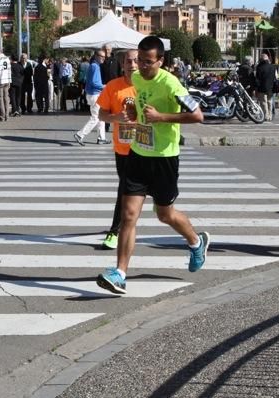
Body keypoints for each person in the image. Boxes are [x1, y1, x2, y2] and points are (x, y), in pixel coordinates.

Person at [96, 35, 207, 294]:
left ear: (161, 61)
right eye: (139, 62)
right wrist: (133, 114)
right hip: (138, 154)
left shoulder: (172, 84)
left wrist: (161, 117)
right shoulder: (135, 79)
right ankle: (120, 273)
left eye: (148, 63)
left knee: (164, 214)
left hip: (164, 158)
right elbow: (141, 106)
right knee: (128, 215)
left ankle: (195, 241)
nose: (141, 68)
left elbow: (197, 115)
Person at [96, 49, 138, 250]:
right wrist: (116, 118)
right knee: (125, 190)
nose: (133, 65)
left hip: (149, 147)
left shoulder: (150, 87)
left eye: (137, 61)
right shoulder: (113, 87)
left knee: (159, 195)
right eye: (129, 61)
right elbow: (102, 115)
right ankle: (114, 231)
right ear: (123, 64)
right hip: (124, 149)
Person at [74, 50, 107, 145]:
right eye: (102, 56)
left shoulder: (93, 66)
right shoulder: (95, 66)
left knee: (101, 117)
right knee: (96, 118)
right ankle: (80, 134)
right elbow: (95, 83)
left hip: (93, 94)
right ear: (96, 56)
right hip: (95, 94)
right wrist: (104, 86)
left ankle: (101, 138)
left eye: (104, 56)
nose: (103, 58)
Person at [101, 44, 120, 132]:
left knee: (115, 106)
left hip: (115, 86)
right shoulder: (101, 60)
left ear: (111, 50)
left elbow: (119, 73)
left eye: (108, 49)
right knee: (105, 107)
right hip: (104, 86)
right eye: (105, 49)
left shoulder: (115, 60)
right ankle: (106, 125)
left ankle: (117, 123)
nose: (106, 51)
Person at [255, 53, 275, 121]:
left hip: (262, 87)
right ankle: (270, 116)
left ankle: (265, 116)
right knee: (269, 101)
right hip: (271, 87)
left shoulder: (260, 67)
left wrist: (256, 88)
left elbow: (257, 79)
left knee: (263, 102)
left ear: (261, 59)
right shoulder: (272, 67)